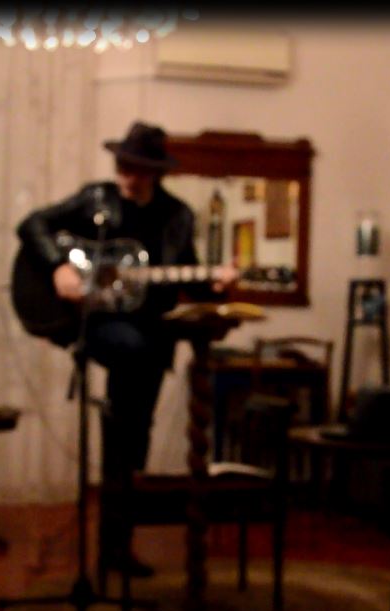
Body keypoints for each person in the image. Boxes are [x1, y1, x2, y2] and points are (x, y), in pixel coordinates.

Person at [16, 121, 238, 577]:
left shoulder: (177, 217)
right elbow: (31, 224)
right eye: (122, 165)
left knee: (134, 437)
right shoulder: (97, 199)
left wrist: (217, 285)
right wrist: (59, 267)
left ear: (156, 171)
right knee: (130, 373)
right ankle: (114, 535)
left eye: (136, 168)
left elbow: (190, 276)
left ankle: (116, 545)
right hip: (102, 326)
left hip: (152, 337)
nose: (126, 176)